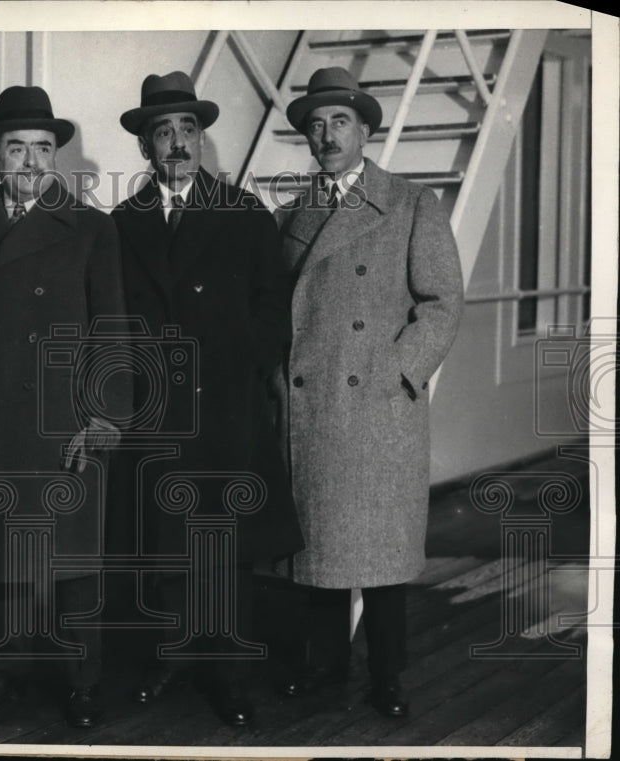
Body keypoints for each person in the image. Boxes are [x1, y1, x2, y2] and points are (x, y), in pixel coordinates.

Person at [110, 71, 305, 728]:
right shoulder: (123, 223)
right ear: (146, 148)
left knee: (225, 548)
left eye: (187, 130)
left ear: (202, 138)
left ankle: (229, 673)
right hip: (156, 410)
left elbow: (273, 307)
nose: (176, 144)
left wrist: (237, 355)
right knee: (167, 546)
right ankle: (175, 656)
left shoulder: (243, 213)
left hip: (223, 406)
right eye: (162, 133)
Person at [276, 66, 465, 717]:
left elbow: (441, 303)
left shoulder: (413, 204)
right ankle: (327, 667)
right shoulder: (291, 214)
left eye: (340, 123)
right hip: (313, 407)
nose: (327, 135)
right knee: (322, 552)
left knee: (381, 560)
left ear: (364, 130)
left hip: (379, 409)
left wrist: (398, 369)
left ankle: (388, 675)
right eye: (317, 125)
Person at [0, 85, 129, 729]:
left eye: (43, 149)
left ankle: (85, 681)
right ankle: (6, 670)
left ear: (56, 157)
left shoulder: (89, 227)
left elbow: (112, 327)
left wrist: (105, 415)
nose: (31, 161)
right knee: (4, 559)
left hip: (67, 420)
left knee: (75, 561)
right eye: (17, 147)